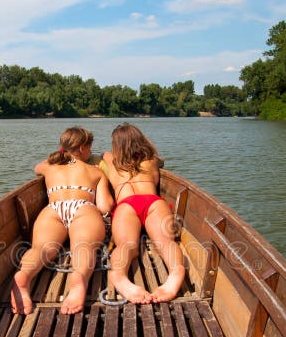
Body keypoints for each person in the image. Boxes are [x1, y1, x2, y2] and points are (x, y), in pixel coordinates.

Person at [11, 126, 113, 315]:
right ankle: (79, 279)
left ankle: (24, 274)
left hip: (53, 209)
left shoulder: (49, 167)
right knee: (84, 247)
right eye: (89, 148)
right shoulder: (95, 171)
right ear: (82, 147)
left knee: (41, 249)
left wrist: (59, 155)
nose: (91, 152)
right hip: (83, 208)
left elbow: (37, 168)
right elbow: (105, 206)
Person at [102, 123, 184, 303]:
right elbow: (160, 159)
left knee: (126, 245)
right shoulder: (152, 160)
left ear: (116, 145)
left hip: (127, 204)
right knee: (165, 242)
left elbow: (101, 155)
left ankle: (119, 276)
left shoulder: (111, 160)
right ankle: (176, 271)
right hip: (153, 202)